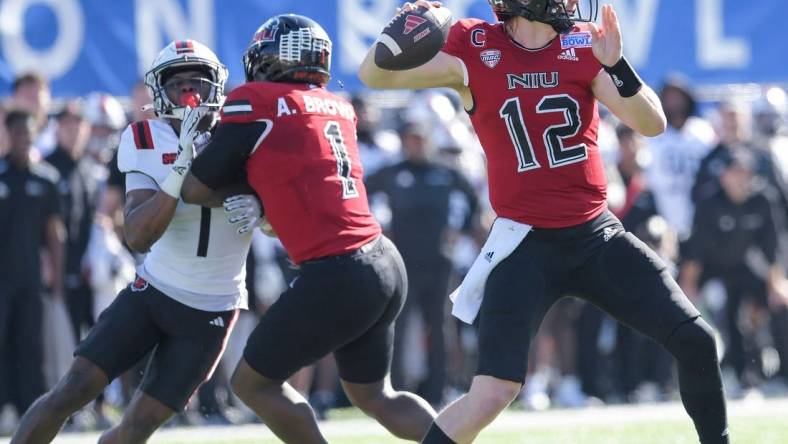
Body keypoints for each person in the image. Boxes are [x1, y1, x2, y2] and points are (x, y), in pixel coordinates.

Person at [359, 1, 729, 443]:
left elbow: (652, 123)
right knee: (493, 391)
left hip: (595, 235)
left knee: (697, 341)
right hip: (523, 245)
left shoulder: (583, 42)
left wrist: (617, 64)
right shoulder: (474, 47)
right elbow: (374, 75)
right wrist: (397, 35)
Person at [180, 14, 436, 443]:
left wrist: (232, 178)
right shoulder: (340, 107)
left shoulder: (254, 101)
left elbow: (194, 188)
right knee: (376, 395)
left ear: (272, 57)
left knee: (251, 383)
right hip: (383, 261)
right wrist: (262, 199)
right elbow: (296, 173)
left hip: (338, 271)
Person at [11, 39, 254, 444]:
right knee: (71, 390)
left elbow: (281, 210)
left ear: (217, 88)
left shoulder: (241, 136)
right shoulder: (144, 136)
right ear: (160, 91)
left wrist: (262, 210)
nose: (189, 93)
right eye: (178, 84)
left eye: (198, 82)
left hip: (214, 306)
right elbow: (140, 234)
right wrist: (181, 163)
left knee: (135, 429)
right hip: (155, 292)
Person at [366, 121, 480, 407]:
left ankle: (438, 390)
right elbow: (362, 194)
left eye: (419, 139)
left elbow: (474, 201)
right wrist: (378, 230)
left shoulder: (445, 172)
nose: (414, 145)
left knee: (440, 326)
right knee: (400, 325)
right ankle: (399, 390)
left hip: (439, 261)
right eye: (410, 139)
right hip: (401, 262)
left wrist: (461, 229)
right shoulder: (393, 172)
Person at [0, 109, 65, 421]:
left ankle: (30, 410)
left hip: (30, 278)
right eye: (17, 133)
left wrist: (57, 278)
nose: (23, 139)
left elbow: (54, 234)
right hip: (1, 279)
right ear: (8, 135)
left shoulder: (46, 178)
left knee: (30, 344)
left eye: (28, 133)